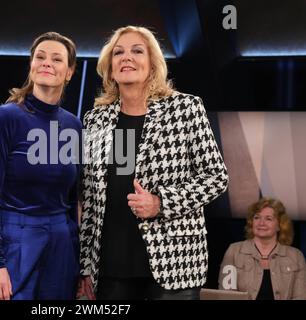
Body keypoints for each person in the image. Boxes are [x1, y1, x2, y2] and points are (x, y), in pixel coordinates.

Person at [78, 26, 229, 300]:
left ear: (152, 64)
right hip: (111, 266)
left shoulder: (185, 109)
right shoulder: (95, 120)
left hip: (174, 263)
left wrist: (161, 203)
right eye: (118, 53)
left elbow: (216, 177)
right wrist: (86, 266)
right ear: (110, 67)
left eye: (137, 51)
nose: (127, 57)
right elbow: (90, 200)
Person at [0, 31, 81, 300]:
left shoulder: (74, 125)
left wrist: (80, 263)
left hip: (61, 244)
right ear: (31, 65)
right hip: (15, 240)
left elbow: (73, 200)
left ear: (69, 72)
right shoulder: (5, 117)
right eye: (40, 57)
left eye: (57, 59)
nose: (47, 63)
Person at [218, 197, 306, 300]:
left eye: (268, 218)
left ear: (280, 225)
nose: (261, 223)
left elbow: (300, 297)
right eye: (257, 217)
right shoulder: (234, 251)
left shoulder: (295, 256)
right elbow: (226, 295)